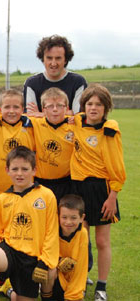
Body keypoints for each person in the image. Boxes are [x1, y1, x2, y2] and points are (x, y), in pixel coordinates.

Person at [0, 146, 59, 301]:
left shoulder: (46, 195)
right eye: (15, 169)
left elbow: (51, 232)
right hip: (10, 250)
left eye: (24, 169)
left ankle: (10, 292)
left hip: (32, 257)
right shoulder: (3, 199)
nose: (19, 173)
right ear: (7, 170)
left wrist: (44, 261)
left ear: (34, 170)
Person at [70, 84, 126, 301]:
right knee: (81, 239)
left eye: (99, 105)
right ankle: (81, 280)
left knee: (102, 240)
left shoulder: (110, 131)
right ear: (84, 106)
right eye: (90, 104)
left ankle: (101, 286)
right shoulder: (76, 121)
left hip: (101, 189)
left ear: (106, 108)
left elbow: (117, 168)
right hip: (78, 188)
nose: (93, 108)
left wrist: (113, 196)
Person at [0, 89, 35, 218]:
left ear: (23, 109)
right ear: (0, 109)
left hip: (25, 190)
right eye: (7, 107)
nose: (11, 111)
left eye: (16, 107)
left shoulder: (31, 127)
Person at [40, 194, 88, 301]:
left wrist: (73, 296)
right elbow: (44, 253)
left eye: (73, 218)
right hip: (54, 274)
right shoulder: (52, 230)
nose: (68, 222)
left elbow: (81, 266)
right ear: (58, 216)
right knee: (50, 269)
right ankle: (46, 296)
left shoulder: (83, 234)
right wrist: (59, 261)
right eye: (64, 217)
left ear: (82, 218)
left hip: (70, 277)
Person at [23, 35, 87, 115]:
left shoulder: (78, 82)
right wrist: (67, 113)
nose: (53, 63)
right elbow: (30, 118)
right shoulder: (31, 83)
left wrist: (42, 114)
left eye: (58, 58)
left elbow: (78, 117)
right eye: (49, 58)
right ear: (43, 59)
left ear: (66, 60)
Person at [31, 87, 74, 202]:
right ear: (43, 110)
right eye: (50, 106)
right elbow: (10, 114)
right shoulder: (35, 123)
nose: (55, 109)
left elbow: (91, 118)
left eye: (60, 105)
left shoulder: (75, 125)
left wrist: (80, 116)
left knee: (64, 218)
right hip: (40, 182)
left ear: (67, 108)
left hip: (66, 182)